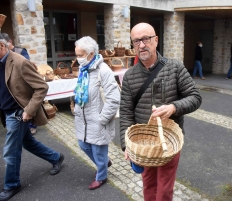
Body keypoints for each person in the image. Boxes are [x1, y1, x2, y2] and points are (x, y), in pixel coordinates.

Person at [120, 23, 202, 201]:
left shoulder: (175, 67)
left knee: (165, 189)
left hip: (169, 142)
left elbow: (195, 97)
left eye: (146, 39)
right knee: (148, 184)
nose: (141, 45)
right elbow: (126, 112)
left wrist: (174, 107)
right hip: (144, 143)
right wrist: (126, 144)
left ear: (155, 40)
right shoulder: (129, 76)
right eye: (136, 41)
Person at [0, 33, 64, 201]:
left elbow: (41, 87)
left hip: (18, 114)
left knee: (11, 151)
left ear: (2, 46)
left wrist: (29, 110)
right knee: (28, 142)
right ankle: (56, 157)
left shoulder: (20, 62)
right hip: (7, 112)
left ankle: (12, 185)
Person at [73, 36, 120, 190]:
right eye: (77, 55)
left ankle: (102, 176)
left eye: (80, 55)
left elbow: (114, 99)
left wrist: (102, 119)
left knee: (98, 151)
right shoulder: (84, 69)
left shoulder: (103, 71)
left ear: (91, 54)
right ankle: (105, 163)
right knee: (82, 144)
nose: (78, 58)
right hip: (84, 120)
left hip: (98, 120)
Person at [2, 32, 38, 134]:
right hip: (10, 99)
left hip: (23, 88)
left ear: (9, 42)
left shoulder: (20, 52)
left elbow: (28, 67)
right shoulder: (3, 57)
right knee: (29, 142)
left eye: (7, 43)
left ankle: (32, 125)